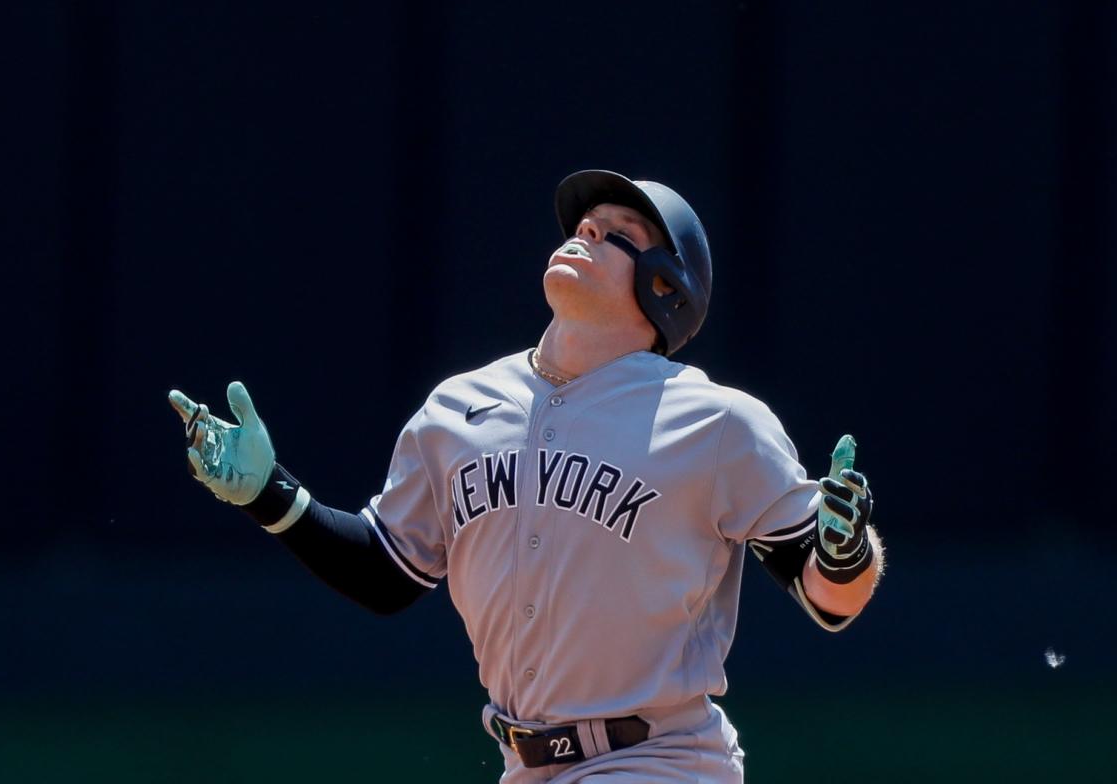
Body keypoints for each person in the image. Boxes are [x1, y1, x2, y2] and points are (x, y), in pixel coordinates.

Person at [168, 169, 884, 783]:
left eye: (617, 232)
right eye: (585, 222)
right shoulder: (457, 409)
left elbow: (830, 600)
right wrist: (273, 497)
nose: (588, 230)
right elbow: (388, 572)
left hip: (661, 760)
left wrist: (848, 551)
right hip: (524, 763)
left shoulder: (717, 422)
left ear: (665, 285)